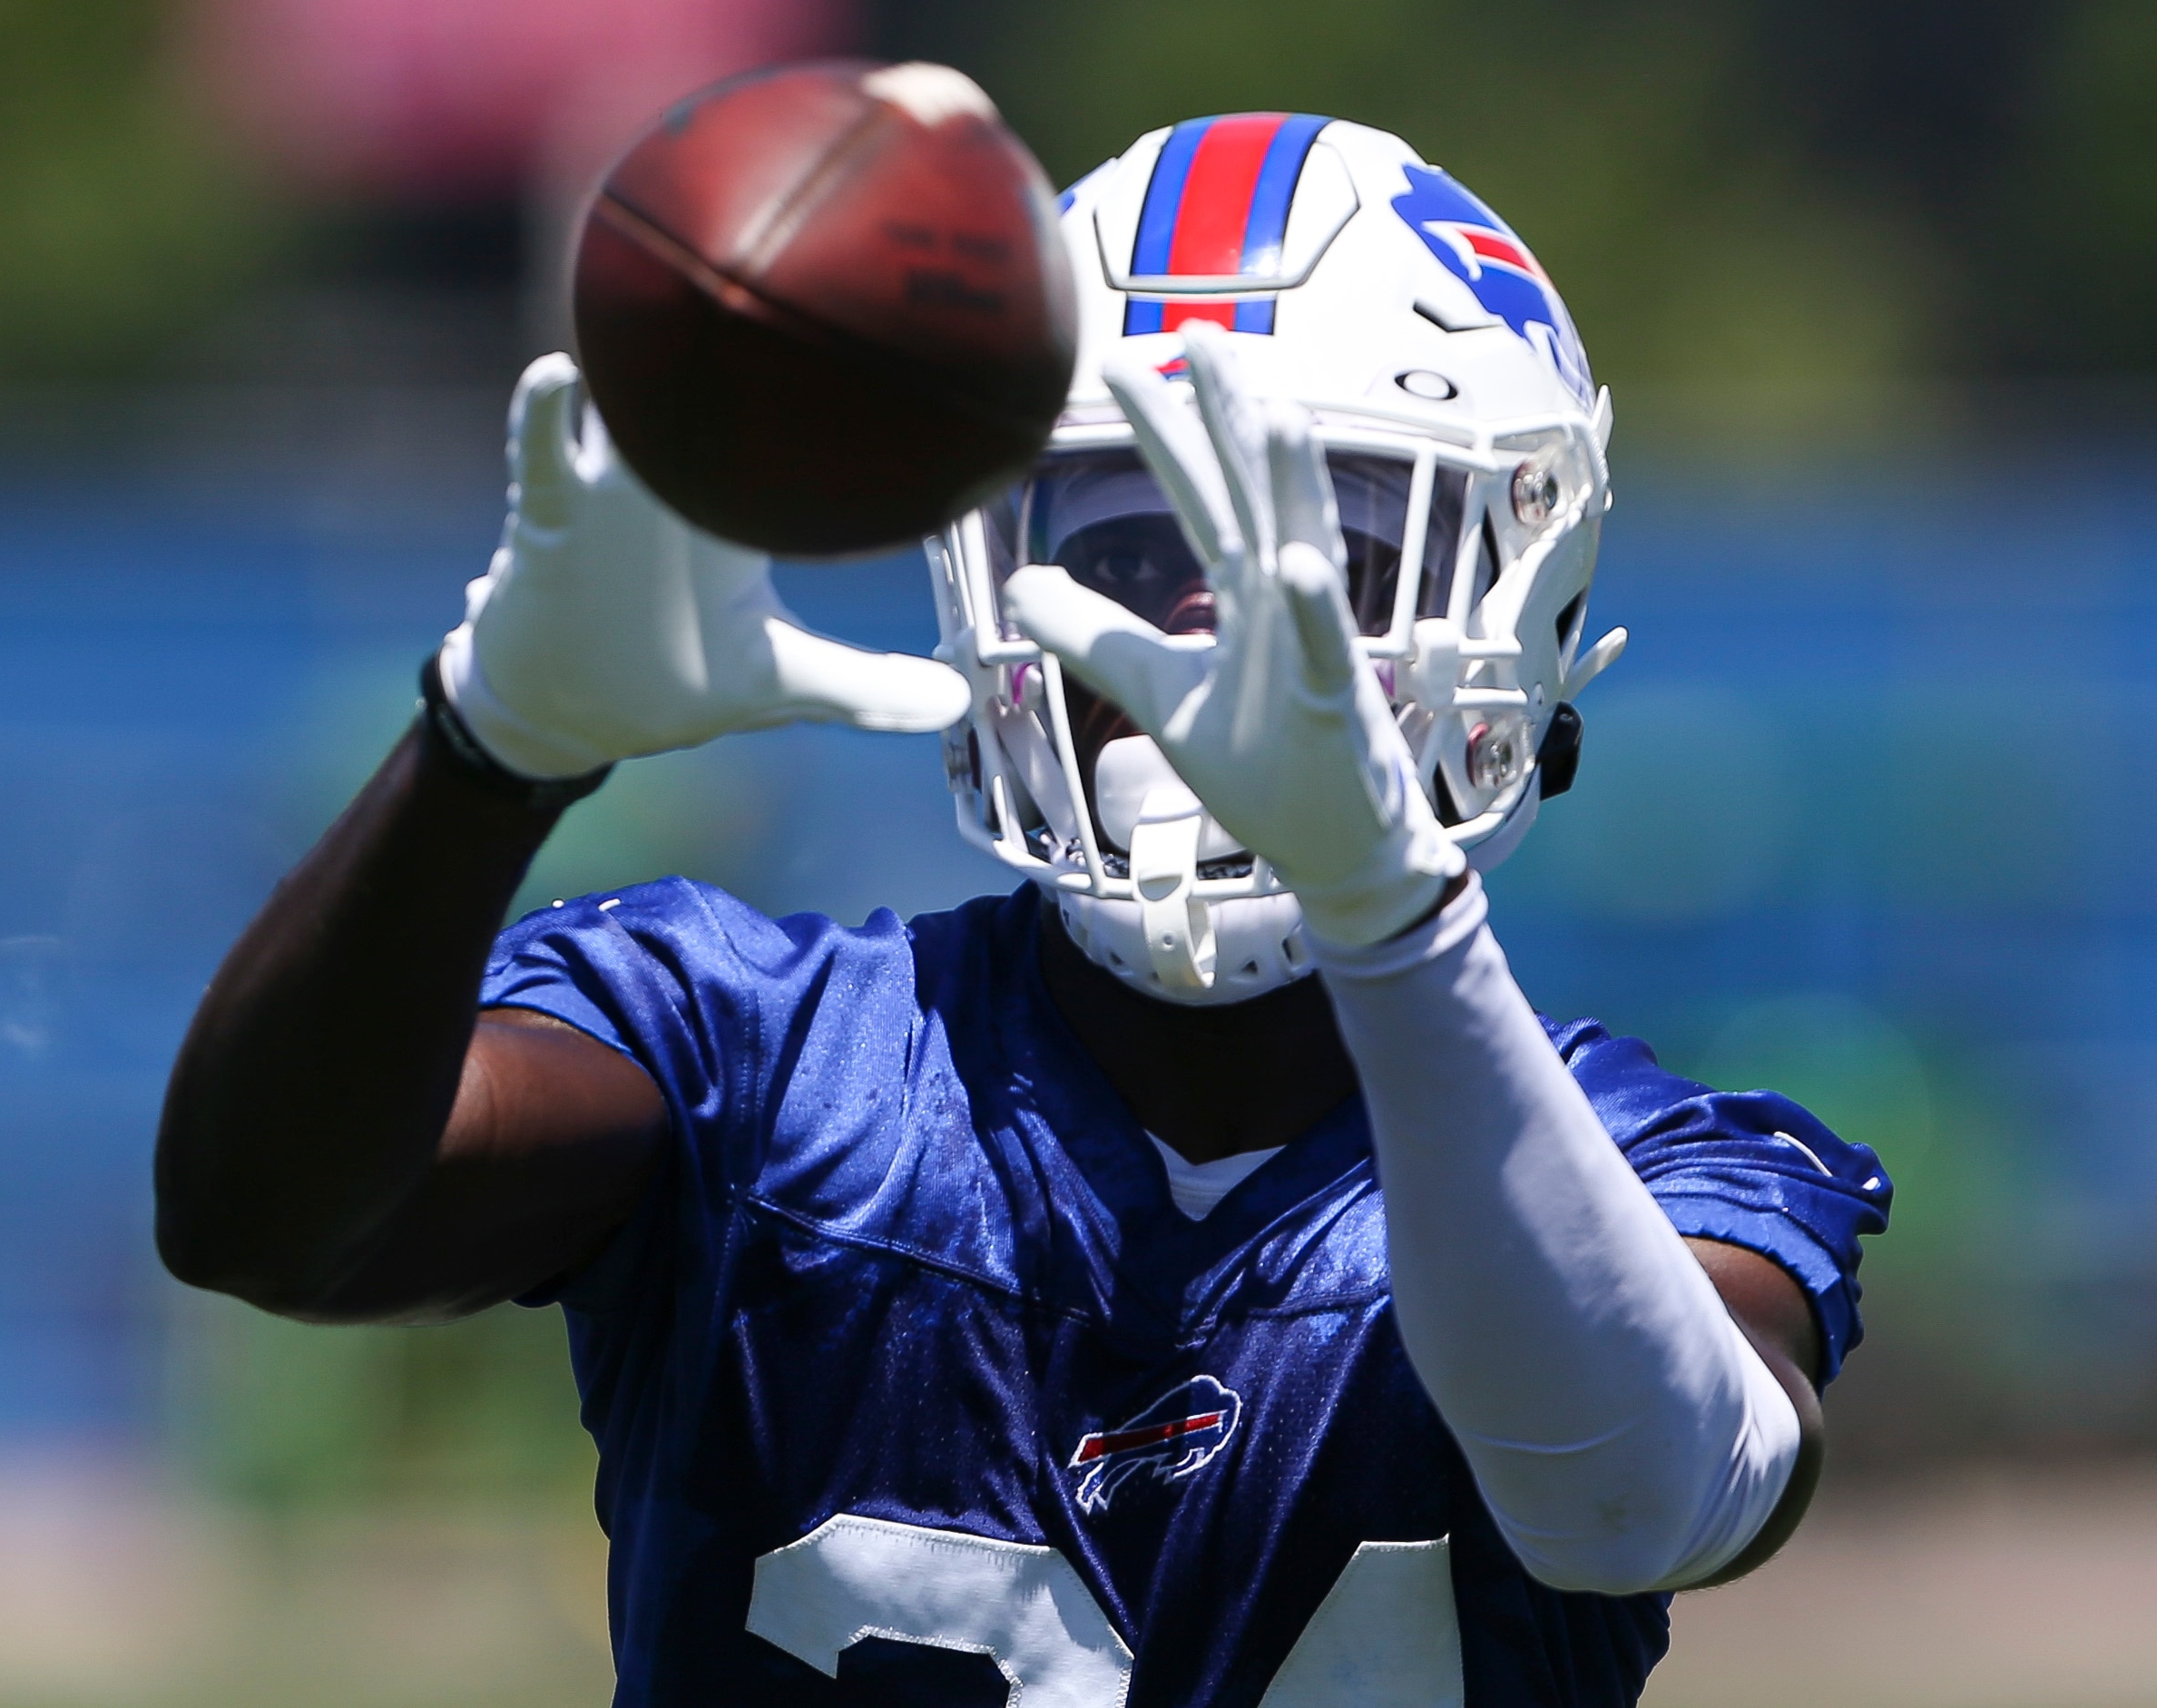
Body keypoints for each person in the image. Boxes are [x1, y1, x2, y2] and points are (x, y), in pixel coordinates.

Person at [155, 113, 1890, 1707]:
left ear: (1514, 612)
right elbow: (263, 1222)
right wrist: (486, 750)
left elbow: (1636, 1496)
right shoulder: (746, 1054)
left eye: (1328, 559)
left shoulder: (1649, 1167)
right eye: (1128, 547)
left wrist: (1392, 913)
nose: (1208, 625)